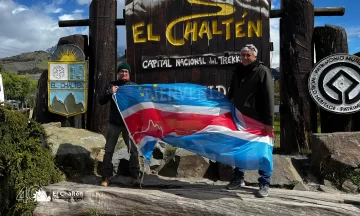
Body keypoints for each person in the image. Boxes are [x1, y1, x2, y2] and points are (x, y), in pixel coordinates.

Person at [226, 44, 274, 197]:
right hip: (239, 118)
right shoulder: (238, 71)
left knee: (263, 151)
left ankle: (264, 182)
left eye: (248, 55)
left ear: (255, 56)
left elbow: (269, 98)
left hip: (258, 119)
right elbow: (231, 93)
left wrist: (269, 122)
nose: (245, 58)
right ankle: (238, 178)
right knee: (239, 149)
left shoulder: (262, 72)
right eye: (243, 55)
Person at [99, 62, 141, 187]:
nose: (124, 73)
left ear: (129, 74)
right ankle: (106, 176)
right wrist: (109, 92)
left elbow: (141, 102)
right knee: (108, 150)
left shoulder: (134, 87)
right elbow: (101, 101)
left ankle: (135, 176)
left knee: (133, 150)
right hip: (114, 123)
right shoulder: (111, 85)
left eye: (126, 72)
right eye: (121, 71)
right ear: (118, 73)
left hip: (129, 124)